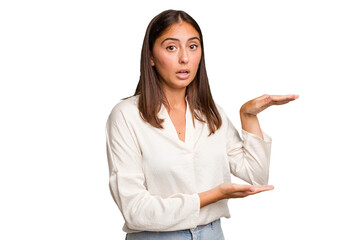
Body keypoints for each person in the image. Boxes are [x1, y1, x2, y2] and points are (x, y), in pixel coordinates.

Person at [105, 9, 298, 240]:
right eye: (171, 47)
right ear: (151, 57)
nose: (184, 58)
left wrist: (248, 116)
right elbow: (135, 211)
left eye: (193, 46)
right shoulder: (127, 116)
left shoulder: (211, 113)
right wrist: (213, 195)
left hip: (212, 234)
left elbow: (256, 176)